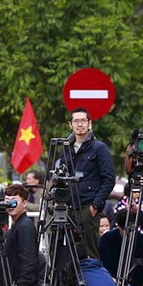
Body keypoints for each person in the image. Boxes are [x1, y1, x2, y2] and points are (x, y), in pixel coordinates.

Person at [62, 108, 116, 260]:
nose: (80, 124)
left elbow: (109, 179)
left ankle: (92, 283)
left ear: (89, 123)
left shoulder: (99, 147)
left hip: (87, 208)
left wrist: (95, 206)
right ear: (70, 124)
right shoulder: (66, 147)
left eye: (83, 121)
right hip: (68, 208)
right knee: (67, 253)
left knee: (89, 254)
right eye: (76, 121)